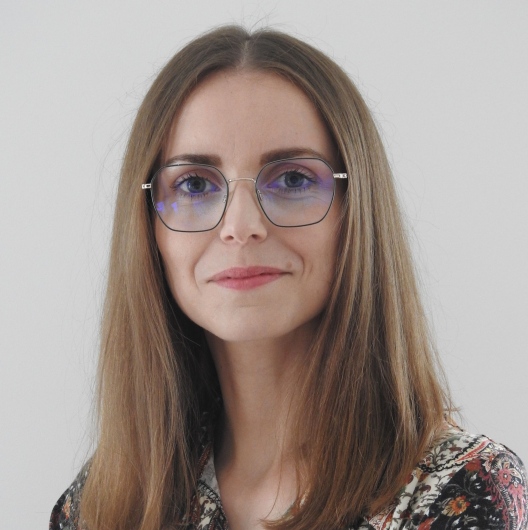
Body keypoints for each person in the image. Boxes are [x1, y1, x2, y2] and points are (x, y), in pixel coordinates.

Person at [50, 25, 527, 530]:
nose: (240, 227)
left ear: (356, 211)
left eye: (293, 179)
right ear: (147, 227)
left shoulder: (460, 489)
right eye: (193, 184)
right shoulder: (100, 505)